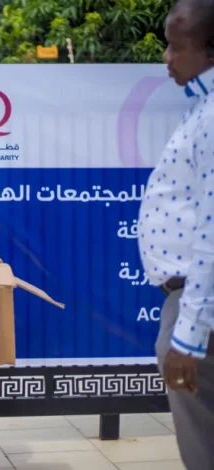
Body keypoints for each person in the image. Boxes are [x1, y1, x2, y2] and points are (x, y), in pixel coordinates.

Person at [137, 0, 214, 468]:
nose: (166, 57)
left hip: (199, 308)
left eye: (174, 46)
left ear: (208, 51)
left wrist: (188, 337)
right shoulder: (201, 108)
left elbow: (211, 233)